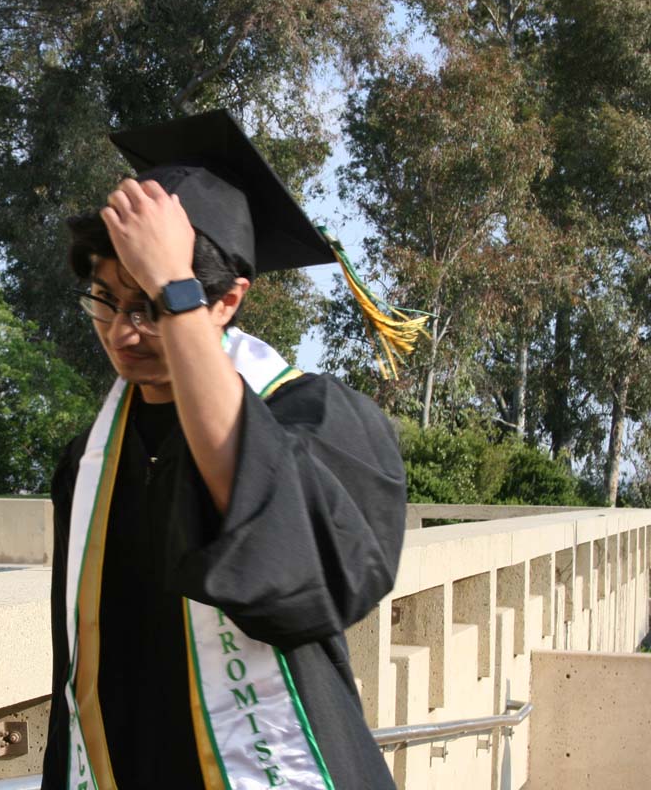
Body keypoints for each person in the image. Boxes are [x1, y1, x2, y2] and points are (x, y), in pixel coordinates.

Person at [41, 110, 409, 790]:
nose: (123, 331)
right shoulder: (89, 458)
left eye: (149, 305)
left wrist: (174, 288)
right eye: (106, 298)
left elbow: (293, 575)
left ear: (229, 300)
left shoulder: (318, 421)